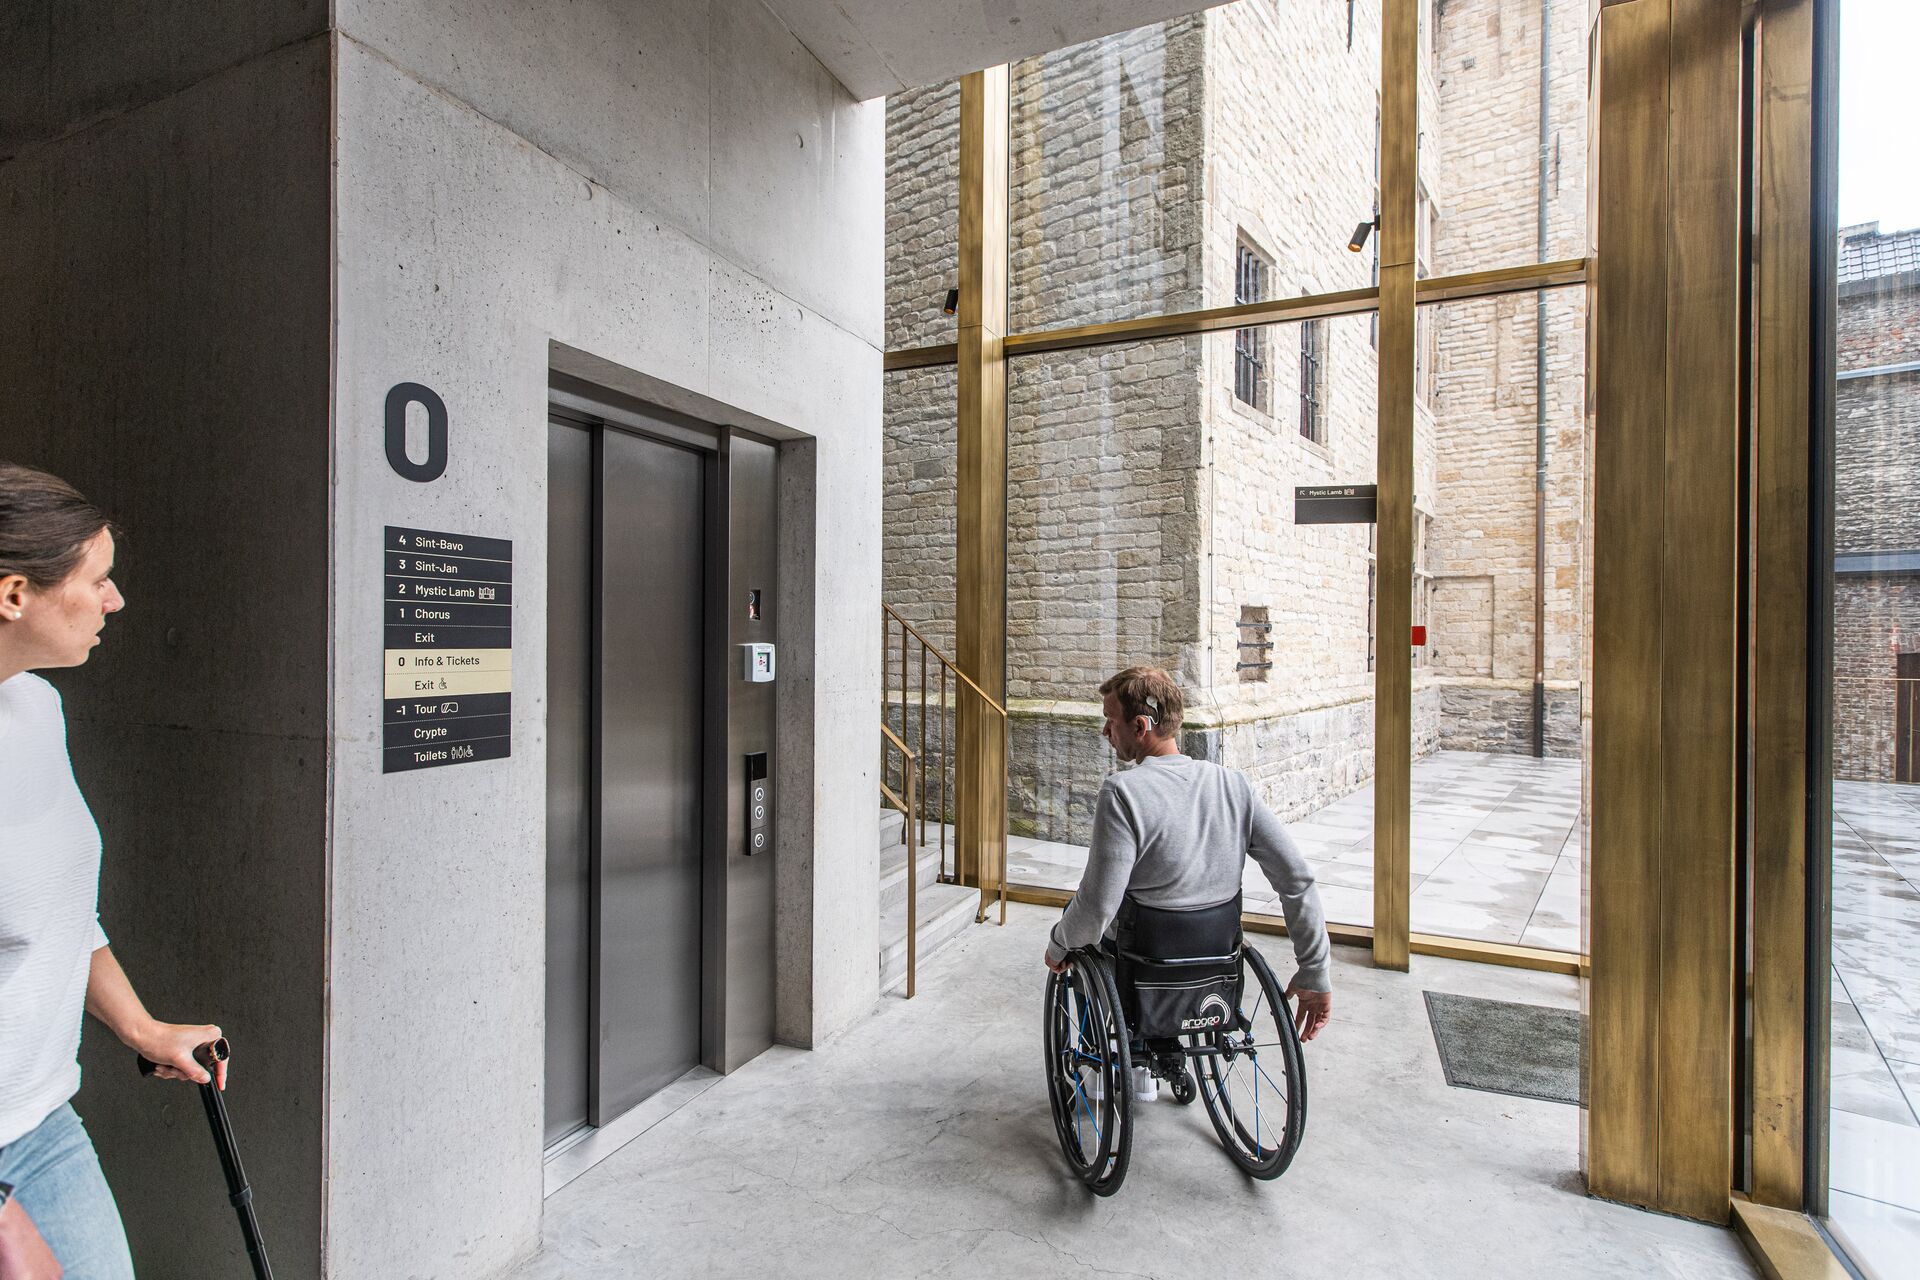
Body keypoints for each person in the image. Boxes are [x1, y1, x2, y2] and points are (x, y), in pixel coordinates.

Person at [0, 464, 228, 1280]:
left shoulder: (33, 708)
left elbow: (57, 909)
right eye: (98, 579)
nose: (117, 599)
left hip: (41, 1122)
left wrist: (143, 1028)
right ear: (14, 593)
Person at [1043, 665, 1334, 1097]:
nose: (1106, 731)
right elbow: (1297, 880)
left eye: (1111, 720)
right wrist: (1314, 970)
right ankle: (1160, 1050)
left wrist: (1056, 945)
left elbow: (1097, 907)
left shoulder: (1123, 792)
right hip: (1217, 954)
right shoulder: (1235, 786)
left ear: (1141, 726)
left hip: (1143, 959)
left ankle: (1098, 1059)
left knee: (1076, 925)